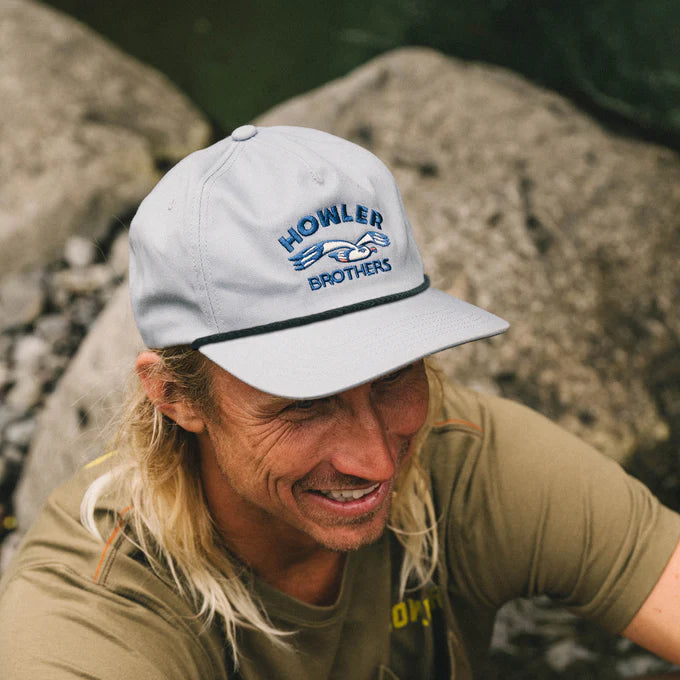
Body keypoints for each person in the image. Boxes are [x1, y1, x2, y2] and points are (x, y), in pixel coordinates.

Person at [1, 125, 679, 679]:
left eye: (392, 375)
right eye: (303, 402)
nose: (376, 459)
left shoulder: (463, 460)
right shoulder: (93, 613)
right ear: (176, 395)